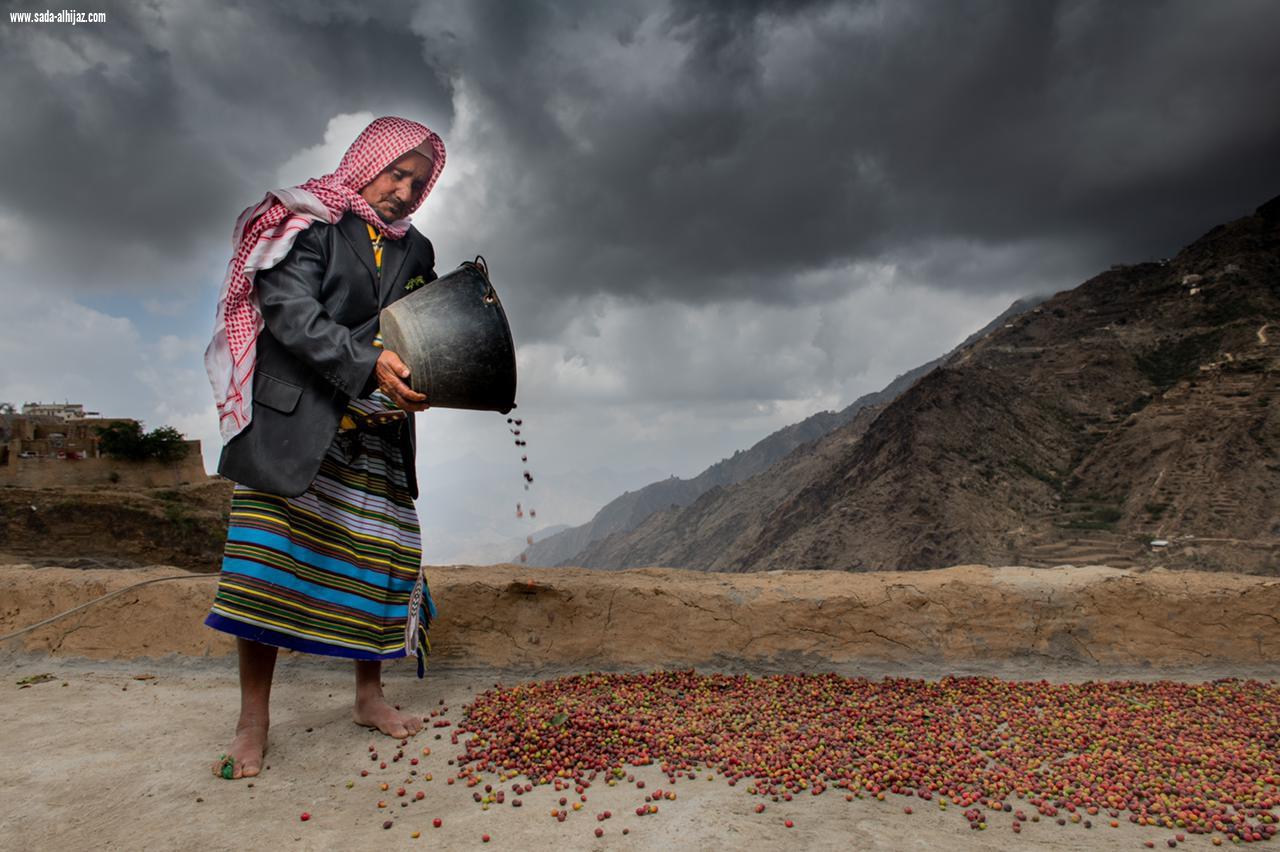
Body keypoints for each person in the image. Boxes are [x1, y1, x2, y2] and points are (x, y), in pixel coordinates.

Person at [202, 116, 446, 780]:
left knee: (377, 560)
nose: (403, 191)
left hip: (374, 429)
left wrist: (440, 367)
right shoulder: (306, 221)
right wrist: (370, 364)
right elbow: (289, 312)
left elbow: (421, 329)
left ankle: (369, 697)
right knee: (266, 572)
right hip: (297, 424)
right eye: (396, 172)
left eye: (417, 182)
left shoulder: (415, 250)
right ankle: (253, 721)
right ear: (366, 160)